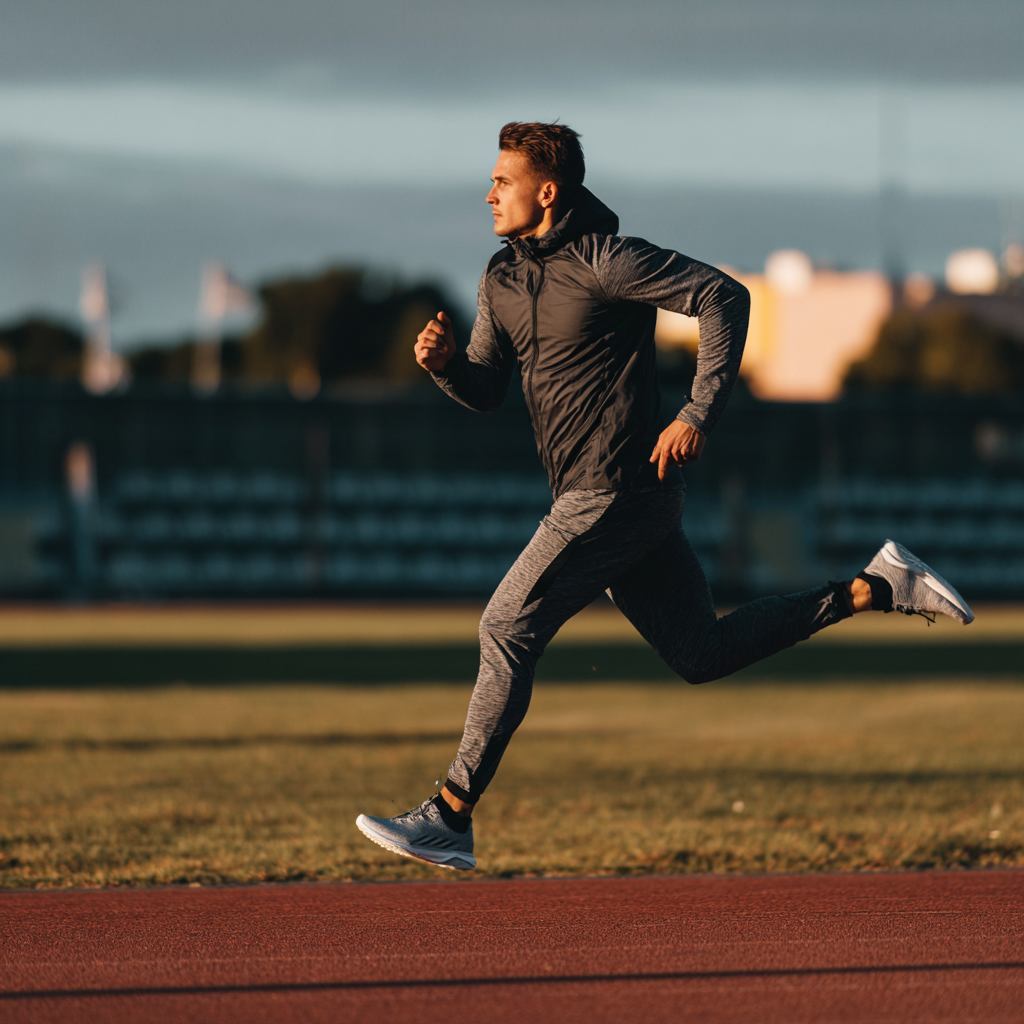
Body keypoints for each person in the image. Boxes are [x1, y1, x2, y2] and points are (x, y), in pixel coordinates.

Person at [356, 121, 974, 871]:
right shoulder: (500, 279)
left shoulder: (607, 260)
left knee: (504, 628)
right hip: (620, 501)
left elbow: (724, 297)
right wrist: (447, 366)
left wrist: (697, 410)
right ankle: (875, 588)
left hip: (610, 492)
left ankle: (450, 814)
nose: (488, 192)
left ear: (546, 192)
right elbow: (487, 389)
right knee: (698, 652)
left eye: (502, 181)